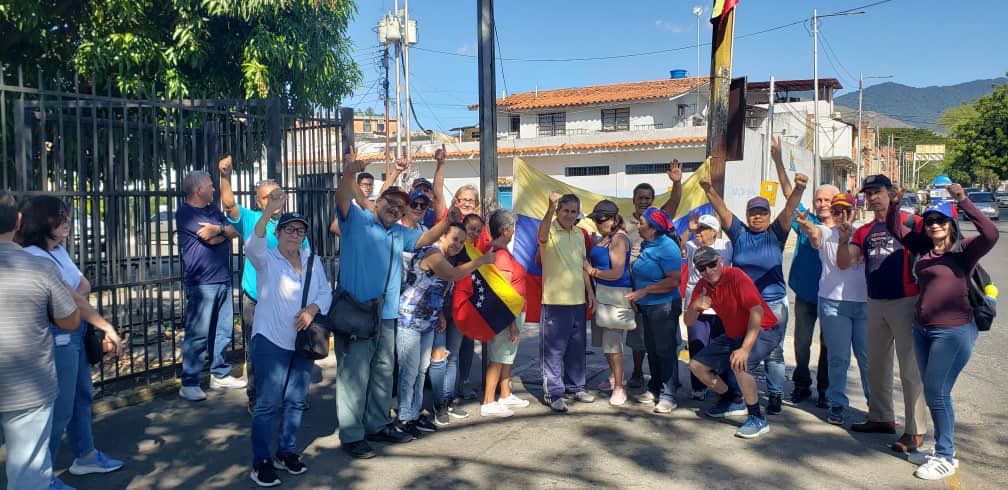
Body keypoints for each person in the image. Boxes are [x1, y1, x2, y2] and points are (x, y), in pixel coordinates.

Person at [333, 149, 463, 459]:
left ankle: (377, 425)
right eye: (390, 203)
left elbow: (422, 240)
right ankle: (352, 435)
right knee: (354, 375)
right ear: (377, 202)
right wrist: (349, 173)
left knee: (382, 371)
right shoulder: (357, 218)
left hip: (387, 313)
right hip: (356, 310)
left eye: (400, 206)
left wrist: (447, 224)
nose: (395, 209)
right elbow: (341, 199)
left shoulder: (398, 232)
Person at [886, 183, 998, 481]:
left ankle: (946, 456)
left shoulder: (964, 252)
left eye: (941, 220)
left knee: (937, 393)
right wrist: (895, 204)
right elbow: (895, 228)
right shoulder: (922, 249)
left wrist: (963, 201)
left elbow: (991, 234)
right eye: (930, 220)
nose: (935, 225)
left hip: (954, 332)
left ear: (951, 224)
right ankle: (942, 448)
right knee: (934, 392)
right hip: (923, 330)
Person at [15, 196, 126, 489]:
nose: (67, 223)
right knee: (59, 409)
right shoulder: (35, 256)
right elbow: (74, 295)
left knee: (81, 396)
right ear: (42, 221)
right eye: (60, 217)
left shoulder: (58, 252)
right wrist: (104, 325)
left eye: (67, 216)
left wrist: (69, 296)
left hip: (72, 331)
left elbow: (82, 285)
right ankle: (42, 476)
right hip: (56, 335)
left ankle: (85, 454)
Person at [700, 171, 807, 415]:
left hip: (772, 303)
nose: (757, 216)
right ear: (748, 215)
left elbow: (789, 209)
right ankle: (738, 396)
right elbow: (722, 209)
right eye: (753, 212)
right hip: (744, 305)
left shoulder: (776, 234)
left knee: (773, 352)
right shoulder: (739, 234)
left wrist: (799, 189)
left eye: (762, 212)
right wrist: (708, 188)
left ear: (769, 216)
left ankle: (775, 394)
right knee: (739, 347)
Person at [244, 195, 332, 487]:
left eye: (300, 230)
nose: (295, 235)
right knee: (268, 403)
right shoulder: (266, 259)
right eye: (289, 229)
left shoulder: (312, 260)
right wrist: (268, 211)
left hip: (302, 340)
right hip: (271, 339)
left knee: (296, 400)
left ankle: (286, 451)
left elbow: (325, 293)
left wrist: (311, 310)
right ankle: (261, 461)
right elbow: (251, 244)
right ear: (278, 233)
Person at [0, 189, 80, 490]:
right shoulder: (40, 266)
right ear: (18, 221)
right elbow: (70, 320)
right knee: (28, 471)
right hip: (27, 384)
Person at [842, 174, 928, 454]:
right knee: (876, 365)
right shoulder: (864, 230)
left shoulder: (912, 222)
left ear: (891, 193)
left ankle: (915, 430)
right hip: (875, 301)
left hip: (906, 300)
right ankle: (880, 417)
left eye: (877, 191)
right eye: (868, 194)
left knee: (910, 369)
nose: (872, 198)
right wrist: (844, 239)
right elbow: (846, 262)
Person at [219, 156, 307, 414]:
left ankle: (289, 393)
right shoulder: (250, 219)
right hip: (257, 298)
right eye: (267, 197)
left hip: (289, 300)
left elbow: (306, 261)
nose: (274, 200)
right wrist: (225, 177)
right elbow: (229, 204)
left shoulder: (295, 226)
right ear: (259, 202)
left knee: (290, 344)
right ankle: (256, 395)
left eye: (277, 194)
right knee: (257, 348)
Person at [396, 223, 494, 434]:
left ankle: (414, 414)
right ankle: (404, 418)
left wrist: (439, 313)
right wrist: (482, 261)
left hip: (429, 321)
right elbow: (451, 275)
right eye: (454, 239)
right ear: (441, 237)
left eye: (461, 241)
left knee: (421, 371)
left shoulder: (448, 257)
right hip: (410, 319)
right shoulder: (432, 253)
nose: (458, 245)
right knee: (409, 371)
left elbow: (438, 290)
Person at [687, 247, 783, 439]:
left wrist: (745, 349)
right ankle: (732, 400)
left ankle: (757, 418)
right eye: (702, 268)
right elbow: (689, 321)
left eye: (712, 264)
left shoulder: (736, 276)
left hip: (764, 330)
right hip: (733, 334)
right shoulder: (702, 286)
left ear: (721, 261)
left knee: (740, 364)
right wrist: (695, 307)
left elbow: (757, 312)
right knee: (696, 365)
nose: (708, 270)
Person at [794, 193, 869, 425]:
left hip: (864, 305)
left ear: (855, 212)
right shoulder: (826, 233)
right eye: (836, 211)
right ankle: (837, 404)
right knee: (838, 358)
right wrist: (806, 224)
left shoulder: (864, 235)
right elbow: (813, 233)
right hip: (834, 304)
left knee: (868, 359)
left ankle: (878, 407)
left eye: (846, 211)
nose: (841, 215)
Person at [772, 137, 835, 407]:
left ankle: (825, 389)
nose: (821, 203)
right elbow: (789, 195)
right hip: (806, 294)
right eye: (818, 199)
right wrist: (777, 160)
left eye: (826, 200)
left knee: (828, 346)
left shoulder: (843, 228)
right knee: (801, 343)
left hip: (832, 297)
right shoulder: (804, 220)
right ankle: (801, 384)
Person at [175, 170, 245, 401]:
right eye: (210, 185)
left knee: (223, 330)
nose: (214, 189)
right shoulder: (186, 213)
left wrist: (220, 230)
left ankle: (220, 374)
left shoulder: (212, 211)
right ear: (198, 190)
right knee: (198, 334)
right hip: (202, 281)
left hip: (222, 277)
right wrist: (222, 232)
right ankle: (190, 382)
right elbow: (210, 238)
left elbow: (235, 230)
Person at [538, 192, 596, 412]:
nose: (570, 215)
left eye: (573, 211)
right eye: (566, 211)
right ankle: (553, 393)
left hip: (578, 301)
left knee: (577, 347)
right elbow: (542, 237)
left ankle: (576, 387)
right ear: (558, 210)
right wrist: (550, 207)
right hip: (554, 301)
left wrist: (589, 291)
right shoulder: (549, 229)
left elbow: (582, 263)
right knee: (553, 351)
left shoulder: (580, 234)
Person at [626, 208, 683, 413]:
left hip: (664, 305)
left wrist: (645, 290)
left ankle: (669, 395)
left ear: (653, 228)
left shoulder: (667, 247)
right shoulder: (647, 244)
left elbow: (674, 280)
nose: (637, 226)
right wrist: (637, 294)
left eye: (641, 223)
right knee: (652, 349)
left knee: (665, 350)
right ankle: (655, 387)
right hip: (647, 306)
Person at [480, 209, 532, 416]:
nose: (514, 231)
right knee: (498, 357)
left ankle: (505, 392)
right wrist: (511, 322)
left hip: (514, 312)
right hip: (507, 314)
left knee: (506, 356)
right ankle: (488, 401)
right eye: (513, 228)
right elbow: (504, 292)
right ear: (505, 229)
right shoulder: (500, 255)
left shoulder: (500, 251)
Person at [584, 200, 633, 406]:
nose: (597, 223)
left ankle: (620, 386)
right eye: (595, 220)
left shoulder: (619, 239)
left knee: (613, 342)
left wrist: (592, 271)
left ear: (613, 219)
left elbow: (617, 272)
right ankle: (615, 376)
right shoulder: (605, 237)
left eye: (601, 220)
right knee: (605, 343)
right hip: (601, 292)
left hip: (615, 293)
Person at [681, 213, 733, 401]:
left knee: (720, 345)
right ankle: (698, 387)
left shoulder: (725, 246)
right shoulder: (692, 245)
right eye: (698, 228)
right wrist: (689, 229)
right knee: (697, 343)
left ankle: (723, 386)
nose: (699, 232)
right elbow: (681, 246)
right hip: (696, 301)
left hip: (720, 304)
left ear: (714, 231)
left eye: (703, 229)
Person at [623, 182, 656, 389]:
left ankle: (659, 375)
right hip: (634, 287)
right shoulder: (625, 224)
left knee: (658, 336)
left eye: (647, 198)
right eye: (640, 197)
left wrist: (677, 183)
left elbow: (674, 202)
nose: (644, 201)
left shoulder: (658, 222)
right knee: (638, 336)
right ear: (634, 200)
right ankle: (636, 372)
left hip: (656, 287)